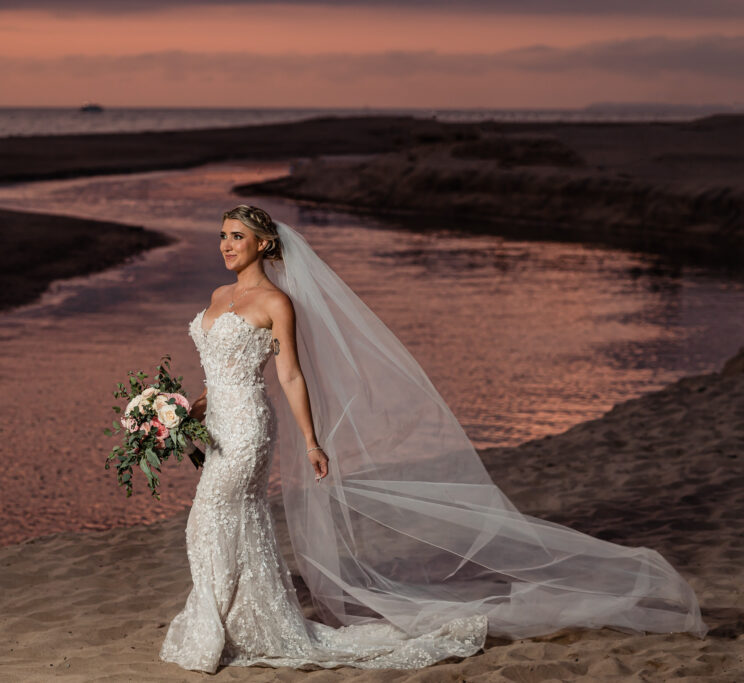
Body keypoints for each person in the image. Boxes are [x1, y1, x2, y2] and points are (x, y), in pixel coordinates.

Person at [159, 205, 705, 673]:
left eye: (236, 237)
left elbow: (291, 377)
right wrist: (180, 409)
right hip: (216, 423)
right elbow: (217, 373)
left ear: (264, 243)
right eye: (222, 236)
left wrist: (312, 442)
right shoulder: (218, 293)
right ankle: (240, 622)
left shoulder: (278, 304)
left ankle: (215, 622)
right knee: (235, 520)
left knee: (212, 515)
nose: (226, 245)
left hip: (251, 428)